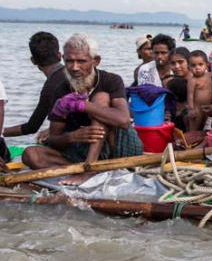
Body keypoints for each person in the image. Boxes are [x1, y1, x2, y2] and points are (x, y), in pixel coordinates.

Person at [22, 34, 143, 185]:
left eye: (81, 61)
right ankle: (89, 169)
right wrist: (73, 137)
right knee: (30, 155)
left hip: (117, 148)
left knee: (101, 98)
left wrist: (84, 106)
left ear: (95, 61)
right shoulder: (61, 89)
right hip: (81, 151)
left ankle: (90, 169)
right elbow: (53, 139)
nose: (74, 67)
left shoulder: (111, 80)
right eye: (69, 61)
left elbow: (124, 121)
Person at [3, 32, 67, 141]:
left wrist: (1, 130)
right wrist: (51, 129)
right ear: (60, 55)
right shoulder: (73, 72)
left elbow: (31, 127)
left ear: (33, 60)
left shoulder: (50, 87)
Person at [186, 51, 212, 131]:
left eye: (200, 64)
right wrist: (191, 109)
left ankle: (204, 141)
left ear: (207, 65)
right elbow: (190, 96)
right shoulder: (193, 80)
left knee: (207, 128)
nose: (197, 68)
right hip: (197, 109)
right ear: (189, 67)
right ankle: (190, 142)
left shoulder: (208, 76)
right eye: (193, 65)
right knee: (194, 129)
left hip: (209, 108)